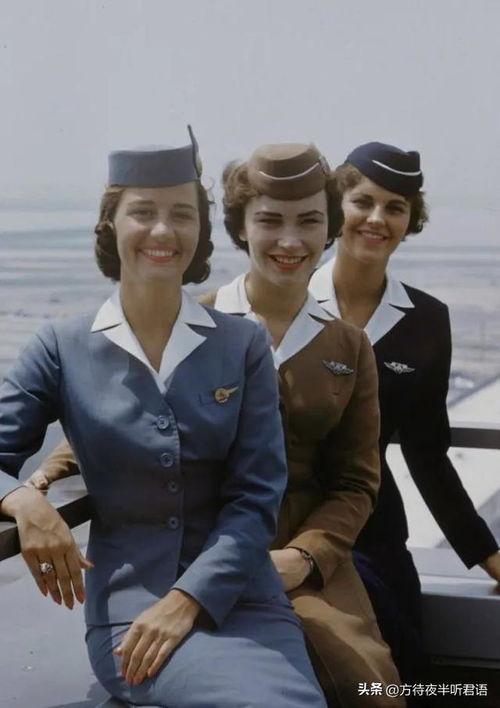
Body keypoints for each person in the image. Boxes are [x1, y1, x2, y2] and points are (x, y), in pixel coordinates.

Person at [29, 142, 405, 707]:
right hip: (200, 554)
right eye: (269, 221)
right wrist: (43, 477)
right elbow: (127, 415)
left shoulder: (346, 345)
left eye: (309, 222)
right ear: (238, 229)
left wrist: (306, 557)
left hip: (303, 557)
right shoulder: (192, 323)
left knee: (373, 686)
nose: (290, 241)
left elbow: (356, 481)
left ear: (329, 229)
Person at [308, 141, 500, 682]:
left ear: (410, 221)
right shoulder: (286, 300)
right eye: (363, 202)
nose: (377, 219)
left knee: (410, 674)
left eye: (395, 208)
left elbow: (427, 455)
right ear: (335, 207)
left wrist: (487, 555)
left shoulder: (426, 321)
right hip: (286, 524)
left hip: (375, 530)